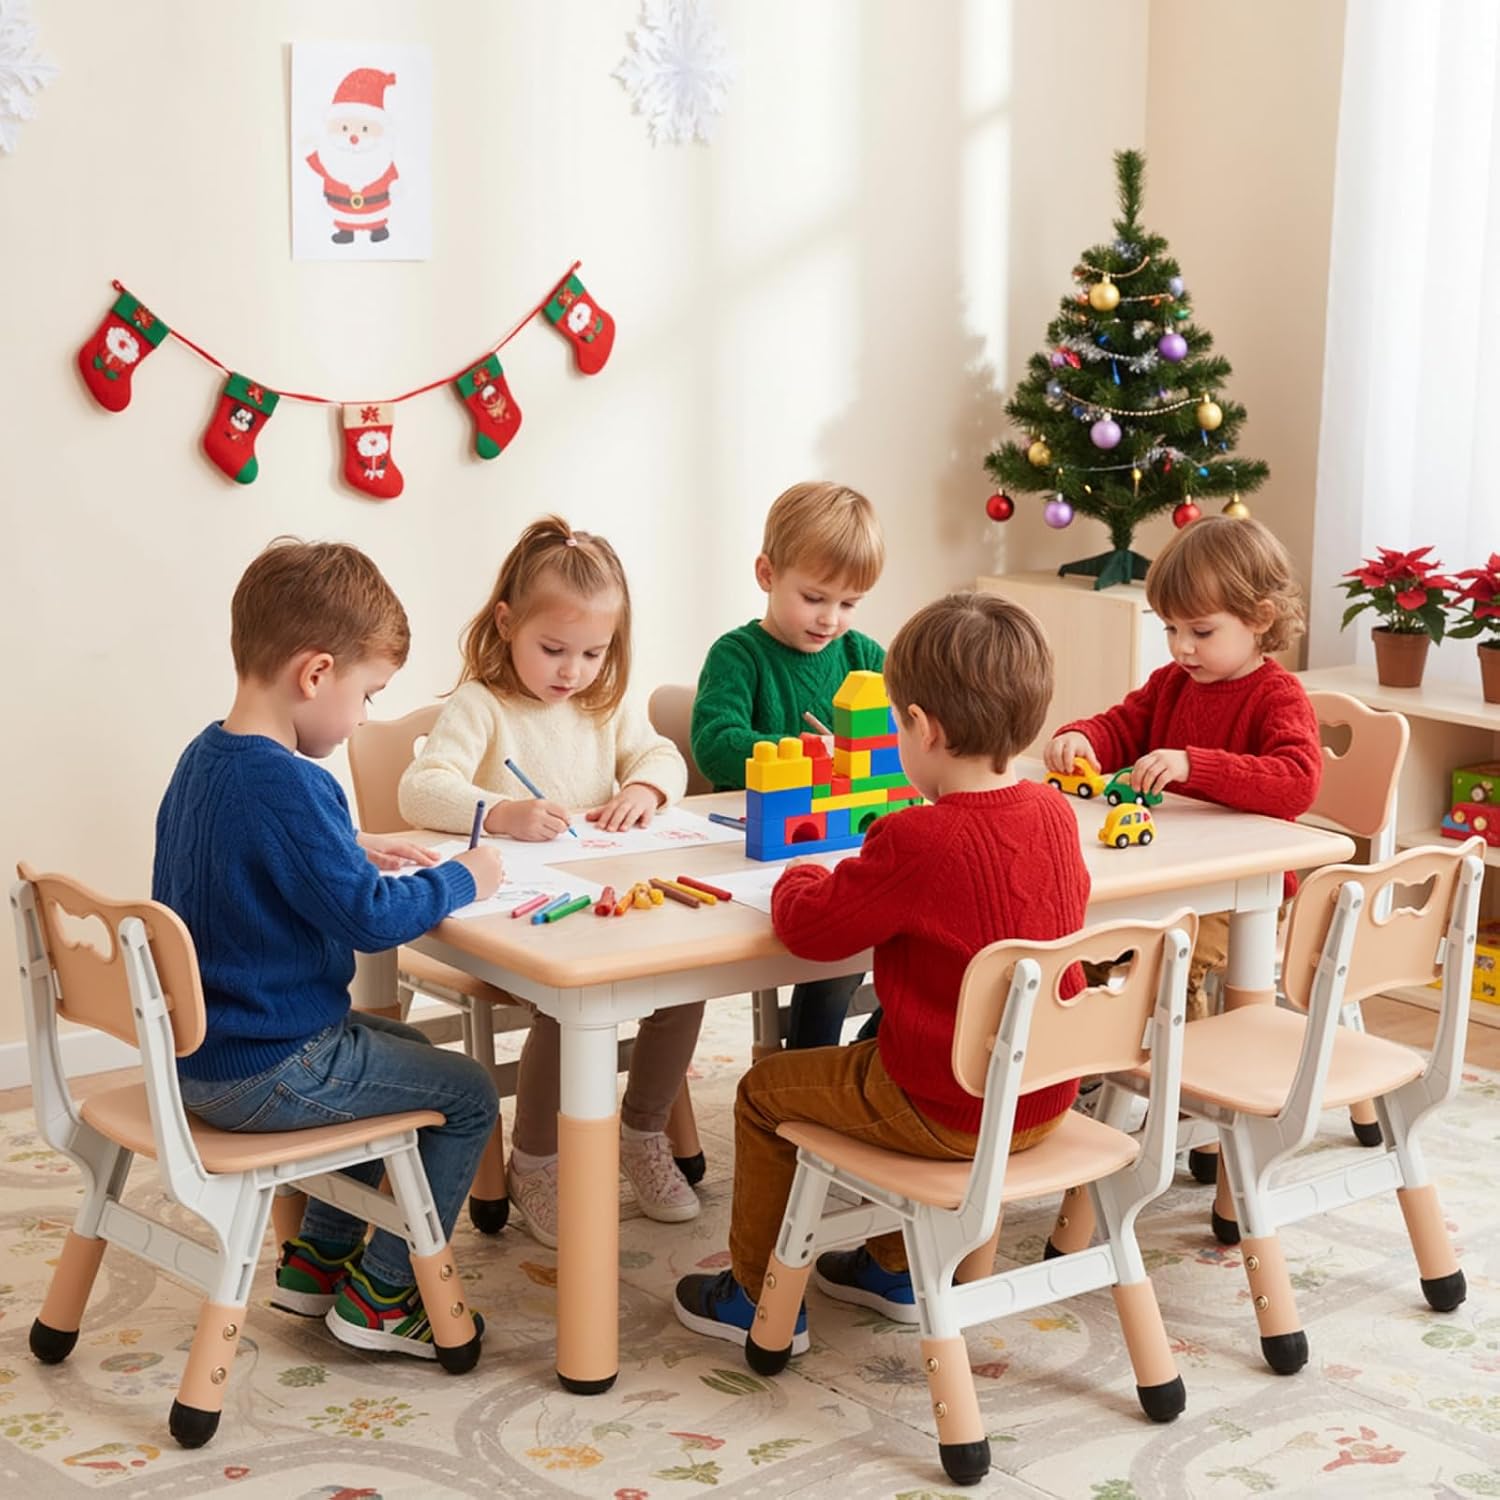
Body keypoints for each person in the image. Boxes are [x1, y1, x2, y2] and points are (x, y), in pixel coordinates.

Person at [675, 591, 1091, 1341]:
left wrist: (803, 869)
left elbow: (812, 928)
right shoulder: (1057, 816)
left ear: (922, 728)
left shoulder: (917, 838)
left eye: (897, 723)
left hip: (946, 1108)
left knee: (765, 1093)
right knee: (875, 1040)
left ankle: (754, 1296)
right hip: (1041, 1096)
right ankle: (891, 1267)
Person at [154, 538, 503, 1360]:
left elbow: (256, 858)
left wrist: (352, 842)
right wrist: (469, 877)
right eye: (369, 695)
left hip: (199, 1060)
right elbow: (372, 920)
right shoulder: (298, 781)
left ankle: (317, 1260)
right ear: (315, 675)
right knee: (469, 1094)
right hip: (268, 1069)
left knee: (408, 1050)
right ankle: (386, 1295)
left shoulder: (204, 759)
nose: (364, 719)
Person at [399, 515, 700, 1245]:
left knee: (684, 989)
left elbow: (662, 756)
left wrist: (647, 792)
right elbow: (419, 788)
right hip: (526, 917)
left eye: (594, 652)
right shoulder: (482, 706)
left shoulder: (603, 706)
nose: (572, 671)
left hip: (611, 904)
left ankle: (641, 1133)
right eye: (553, 649)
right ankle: (534, 1159)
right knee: (568, 1010)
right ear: (506, 623)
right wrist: (499, 810)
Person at [1046, 514, 1321, 1018]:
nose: (1181, 647)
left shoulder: (1278, 696)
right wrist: (1083, 739)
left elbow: (1297, 782)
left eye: (1201, 630)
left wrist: (1194, 766)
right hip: (1162, 874)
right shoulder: (1172, 682)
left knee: (1167, 967)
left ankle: (1178, 1079)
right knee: (1071, 941)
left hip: (1238, 890)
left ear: (1260, 618)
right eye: (1171, 628)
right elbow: (1123, 726)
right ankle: (1090, 1066)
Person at [691, 481, 887, 1048]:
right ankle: (805, 1068)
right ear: (767, 574)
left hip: (846, 840)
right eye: (815, 597)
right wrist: (805, 754)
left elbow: (901, 734)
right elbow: (714, 742)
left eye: (848, 604)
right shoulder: (738, 654)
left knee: (886, 941)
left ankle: (861, 1060)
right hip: (759, 845)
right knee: (834, 949)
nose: (830, 618)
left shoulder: (864, 656)